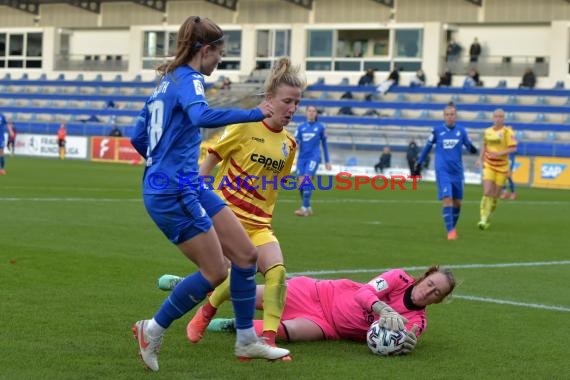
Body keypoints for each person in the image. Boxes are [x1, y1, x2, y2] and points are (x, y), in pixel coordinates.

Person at [129, 16, 289, 372]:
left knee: (246, 256)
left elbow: (137, 137)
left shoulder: (165, 83)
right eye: (219, 53)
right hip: (174, 191)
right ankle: (152, 329)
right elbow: (200, 115)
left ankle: (247, 339)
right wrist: (253, 112)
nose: (220, 61)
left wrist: (159, 164)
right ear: (205, 50)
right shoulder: (189, 79)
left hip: (187, 184)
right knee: (216, 270)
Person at [182, 56, 303, 361]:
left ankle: (268, 338)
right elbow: (210, 161)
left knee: (277, 274)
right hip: (229, 218)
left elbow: (274, 184)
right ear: (270, 100)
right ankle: (206, 311)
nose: (292, 108)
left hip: (260, 224)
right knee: (230, 273)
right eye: (287, 101)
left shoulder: (290, 144)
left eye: (297, 103)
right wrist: (200, 197)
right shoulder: (244, 127)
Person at [160, 266, 456, 354]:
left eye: (436, 292)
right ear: (424, 277)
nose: (429, 290)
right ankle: (193, 286)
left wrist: (405, 346)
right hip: (316, 293)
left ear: (437, 300)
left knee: (287, 334)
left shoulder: (417, 320)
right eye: (431, 283)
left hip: (328, 327)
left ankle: (232, 325)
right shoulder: (399, 278)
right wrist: (382, 309)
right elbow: (365, 292)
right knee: (245, 295)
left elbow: (408, 337)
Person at [414, 104, 478, 240]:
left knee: (458, 203)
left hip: (457, 172)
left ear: (456, 116)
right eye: (447, 114)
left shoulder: (462, 131)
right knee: (447, 198)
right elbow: (427, 147)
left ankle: (452, 227)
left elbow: (468, 145)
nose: (450, 117)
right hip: (442, 170)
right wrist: (419, 162)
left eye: (452, 114)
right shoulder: (437, 131)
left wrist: (473, 149)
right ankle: (450, 232)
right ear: (444, 116)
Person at [474, 109, 517, 230]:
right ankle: (483, 219)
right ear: (493, 118)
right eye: (496, 116)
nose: (498, 118)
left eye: (500, 117)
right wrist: (480, 159)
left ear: (504, 118)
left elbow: (513, 148)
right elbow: (484, 146)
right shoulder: (487, 131)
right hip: (489, 165)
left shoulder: (508, 132)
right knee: (487, 192)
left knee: (495, 196)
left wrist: (499, 153)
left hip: (502, 167)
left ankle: (488, 214)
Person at [294, 105, 332, 217]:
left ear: (316, 113)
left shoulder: (320, 127)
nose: (311, 113)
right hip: (301, 158)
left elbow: (324, 145)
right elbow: (296, 142)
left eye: (313, 111)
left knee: (307, 179)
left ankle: (304, 208)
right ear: (306, 113)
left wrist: (327, 161)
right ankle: (308, 206)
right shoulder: (301, 128)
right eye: (309, 111)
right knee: (301, 184)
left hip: (314, 157)